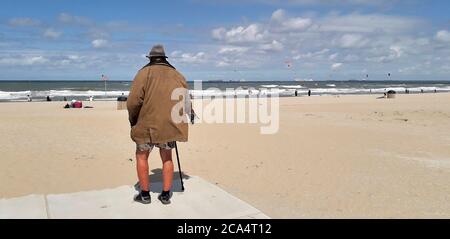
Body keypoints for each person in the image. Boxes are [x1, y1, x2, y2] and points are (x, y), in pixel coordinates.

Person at [127, 44, 190, 205]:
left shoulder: (143, 73)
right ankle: (165, 194)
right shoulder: (177, 75)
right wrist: (188, 115)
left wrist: (133, 120)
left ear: (151, 58)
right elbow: (185, 99)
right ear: (164, 58)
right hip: (168, 125)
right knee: (167, 157)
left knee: (142, 156)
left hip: (146, 124)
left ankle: (145, 194)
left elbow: (133, 102)